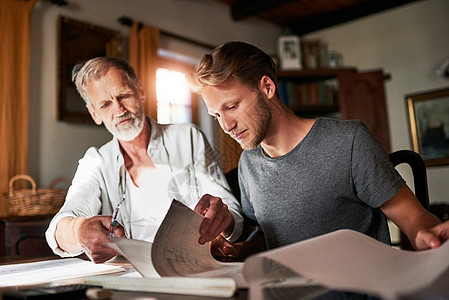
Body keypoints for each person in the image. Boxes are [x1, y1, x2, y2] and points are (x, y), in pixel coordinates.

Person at [187, 41, 449, 254]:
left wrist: (426, 233)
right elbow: (269, 238)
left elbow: (414, 218)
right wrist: (239, 249)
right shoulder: (248, 164)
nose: (227, 126)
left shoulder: (348, 141)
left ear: (267, 87)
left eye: (231, 107)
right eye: (217, 116)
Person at [45, 56, 243, 263]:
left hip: (192, 268)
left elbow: (232, 214)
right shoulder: (96, 161)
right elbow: (59, 226)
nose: (119, 110)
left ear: (140, 91)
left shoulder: (187, 137)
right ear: (94, 114)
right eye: (105, 104)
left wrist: (222, 218)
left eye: (124, 95)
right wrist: (78, 231)